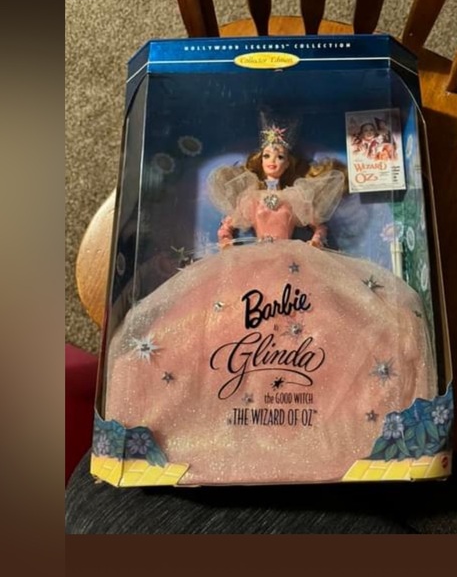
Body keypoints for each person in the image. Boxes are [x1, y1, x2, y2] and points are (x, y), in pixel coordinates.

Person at [99, 120, 439, 487]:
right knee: (225, 321)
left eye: (279, 156)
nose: (273, 161)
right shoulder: (251, 197)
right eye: (267, 156)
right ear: (259, 162)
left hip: (294, 260)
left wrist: (314, 244)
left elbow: (316, 226)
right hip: (250, 259)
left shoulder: (296, 197)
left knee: (320, 321)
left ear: (288, 162)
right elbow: (227, 226)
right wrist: (227, 246)